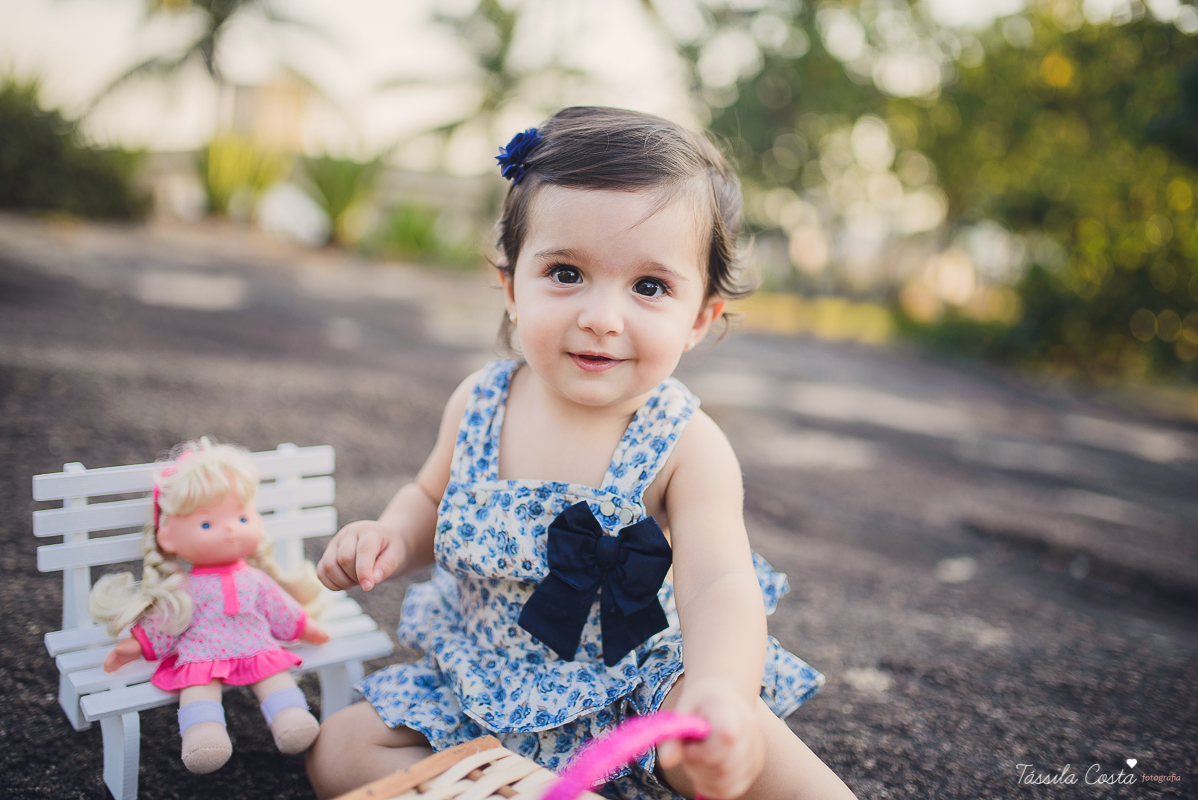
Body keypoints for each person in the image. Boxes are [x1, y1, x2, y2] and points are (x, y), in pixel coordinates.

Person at [306, 107, 856, 800]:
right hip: (487, 682)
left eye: (648, 287)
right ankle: (521, 789)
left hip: (637, 682)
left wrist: (721, 693)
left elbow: (718, 582)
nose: (601, 316)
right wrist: (387, 536)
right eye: (566, 273)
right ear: (510, 287)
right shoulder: (480, 403)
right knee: (340, 750)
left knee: (737, 755)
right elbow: (428, 498)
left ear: (700, 318)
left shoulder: (686, 444)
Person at [90, 437, 330, 774]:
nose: (231, 529)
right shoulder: (187, 588)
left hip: (256, 645)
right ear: (169, 535)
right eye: (207, 524)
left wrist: (307, 627)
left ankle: (291, 720)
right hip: (203, 652)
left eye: (242, 517)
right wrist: (136, 645)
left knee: (275, 676)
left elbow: (280, 609)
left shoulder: (255, 580)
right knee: (199, 688)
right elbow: (168, 619)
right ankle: (204, 737)